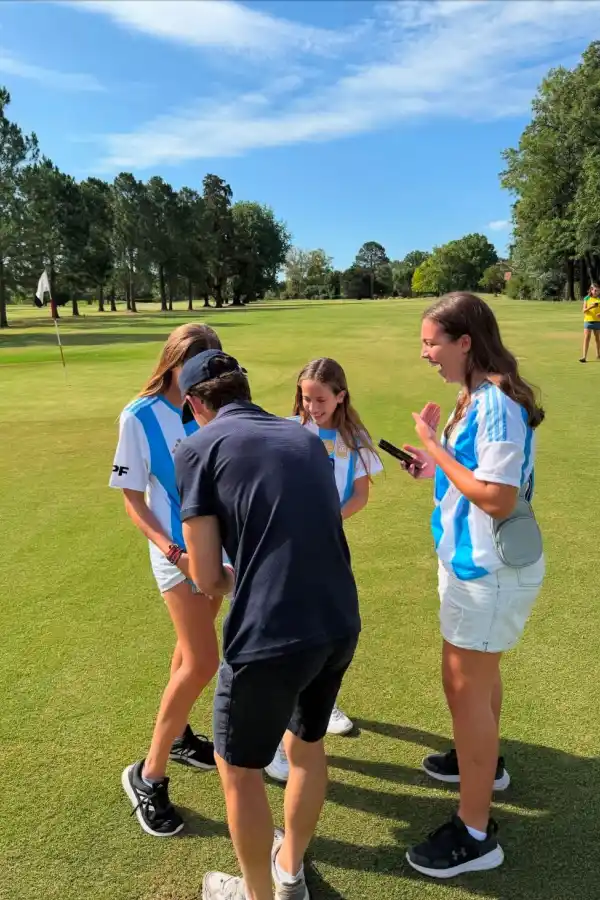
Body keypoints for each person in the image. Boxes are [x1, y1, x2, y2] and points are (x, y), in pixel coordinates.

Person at [174, 349, 360, 900]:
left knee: (237, 766)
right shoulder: (303, 435)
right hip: (338, 619)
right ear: (245, 390)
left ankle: (258, 895)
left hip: (269, 632)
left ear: (193, 404)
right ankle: (290, 872)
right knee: (306, 744)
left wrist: (228, 576)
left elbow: (208, 578)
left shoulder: (195, 448)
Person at [401, 292, 545, 878]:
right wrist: (432, 466)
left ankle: (476, 833)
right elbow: (472, 478)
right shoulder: (474, 399)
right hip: (469, 564)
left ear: (466, 342)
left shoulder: (496, 404)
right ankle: (483, 764)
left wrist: (436, 447)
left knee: (465, 688)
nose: (426, 354)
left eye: (432, 342)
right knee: (472, 683)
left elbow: (498, 495)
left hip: (489, 572)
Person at [109, 323, 225, 838]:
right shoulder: (138, 416)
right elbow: (134, 501)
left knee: (188, 654)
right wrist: (174, 552)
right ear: (174, 362)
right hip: (176, 554)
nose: (203, 380)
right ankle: (148, 774)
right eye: (195, 367)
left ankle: (177, 736)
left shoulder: (212, 406)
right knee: (203, 659)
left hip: (216, 550)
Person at [264, 358, 383, 784]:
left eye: (319, 399)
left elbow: (360, 495)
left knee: (329, 631)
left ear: (340, 396)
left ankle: (323, 703)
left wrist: (331, 518)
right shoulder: (289, 431)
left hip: (330, 546)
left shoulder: (356, 438)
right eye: (305, 398)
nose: (311, 406)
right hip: (289, 550)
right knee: (290, 638)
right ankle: (276, 737)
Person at [580, 282, 600, 362]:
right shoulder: (587, 298)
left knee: (597, 339)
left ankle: (598, 354)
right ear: (591, 290)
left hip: (597, 322)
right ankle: (584, 357)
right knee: (587, 338)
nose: (597, 292)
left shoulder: (599, 299)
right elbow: (584, 310)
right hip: (588, 321)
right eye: (595, 290)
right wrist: (591, 306)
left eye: (598, 291)